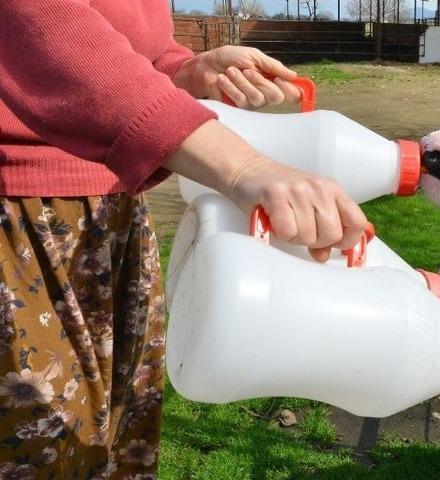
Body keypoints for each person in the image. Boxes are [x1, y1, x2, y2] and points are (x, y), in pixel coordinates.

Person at [0, 1, 366, 477]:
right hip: (19, 216)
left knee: (120, 440)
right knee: (41, 446)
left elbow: (123, 41)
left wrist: (184, 69)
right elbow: (48, 30)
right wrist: (244, 167)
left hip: (113, 207)